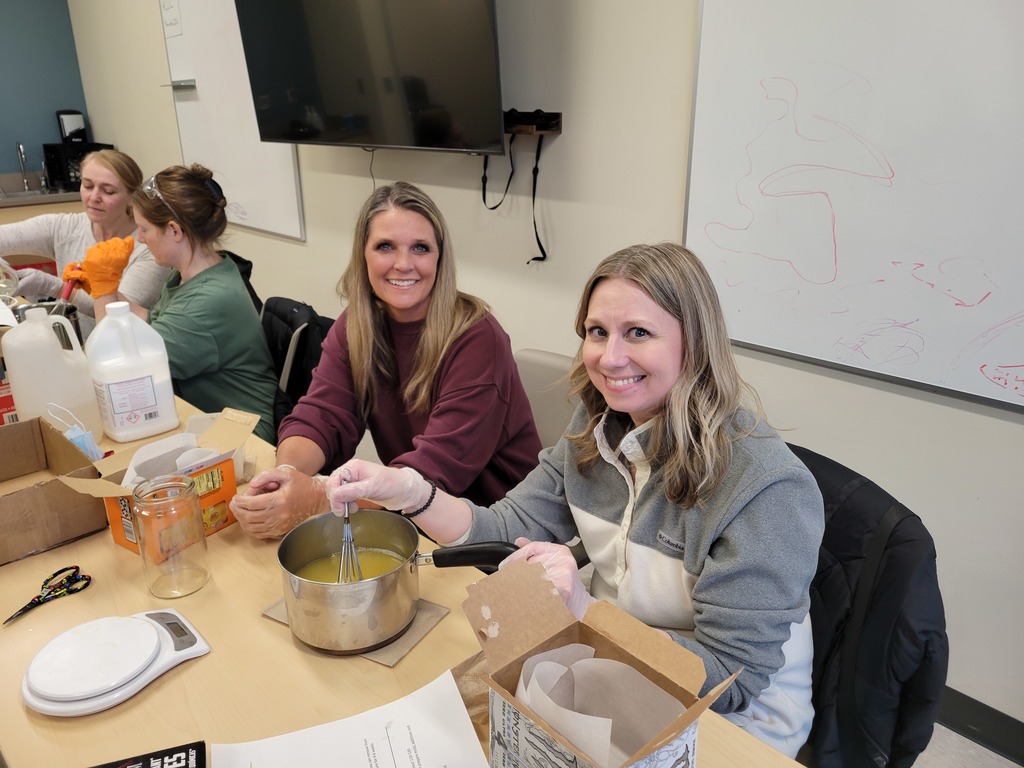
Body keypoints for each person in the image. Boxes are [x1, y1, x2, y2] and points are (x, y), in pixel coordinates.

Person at [326, 242, 825, 758]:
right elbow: (505, 525)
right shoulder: (596, 430)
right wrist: (410, 491)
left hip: (733, 724)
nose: (609, 359)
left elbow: (725, 681)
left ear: (694, 344)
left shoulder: (768, 491)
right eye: (597, 332)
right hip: (611, 661)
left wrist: (585, 609)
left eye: (638, 333)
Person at [229, 181, 542, 538]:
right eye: (385, 247)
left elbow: (434, 472)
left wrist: (318, 497)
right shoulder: (358, 325)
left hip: (494, 532)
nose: (403, 264)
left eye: (420, 248)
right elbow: (322, 415)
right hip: (412, 516)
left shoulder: (477, 338)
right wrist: (285, 476)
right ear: (363, 255)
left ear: (440, 258)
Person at [126, 163, 277, 443]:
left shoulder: (208, 300)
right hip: (205, 420)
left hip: (244, 438)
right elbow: (152, 326)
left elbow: (136, 368)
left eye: (144, 229)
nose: (140, 238)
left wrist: (102, 296)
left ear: (174, 230)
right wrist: (109, 290)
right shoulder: (190, 274)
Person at [0, 149, 170, 335]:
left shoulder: (149, 247)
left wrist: (52, 286)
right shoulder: (66, 227)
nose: (94, 197)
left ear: (131, 197)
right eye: (88, 186)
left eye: (108, 191)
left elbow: (115, 313)